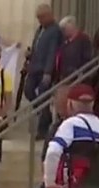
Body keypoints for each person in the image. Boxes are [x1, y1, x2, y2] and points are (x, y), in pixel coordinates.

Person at [26, 4, 63, 138]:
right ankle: (43, 113)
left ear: (49, 15)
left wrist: (48, 71)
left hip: (44, 69)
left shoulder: (54, 30)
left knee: (43, 95)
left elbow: (52, 51)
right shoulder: (40, 29)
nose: (39, 20)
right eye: (38, 18)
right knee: (28, 90)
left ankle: (43, 127)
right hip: (34, 67)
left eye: (42, 17)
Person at [53, 16, 93, 84]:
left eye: (64, 28)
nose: (63, 31)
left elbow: (87, 58)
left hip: (77, 77)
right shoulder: (65, 42)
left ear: (71, 26)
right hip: (65, 77)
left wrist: (79, 72)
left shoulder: (83, 39)